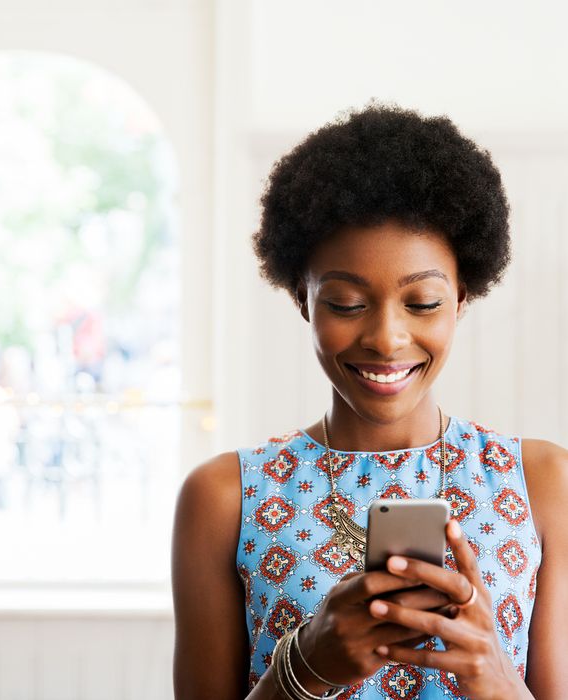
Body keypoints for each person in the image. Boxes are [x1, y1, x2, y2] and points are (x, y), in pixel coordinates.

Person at [171, 103, 567, 699]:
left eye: (424, 303)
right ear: (302, 300)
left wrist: (498, 677)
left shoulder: (542, 483)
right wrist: (305, 666)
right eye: (347, 303)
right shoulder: (224, 497)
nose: (385, 338)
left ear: (462, 297)